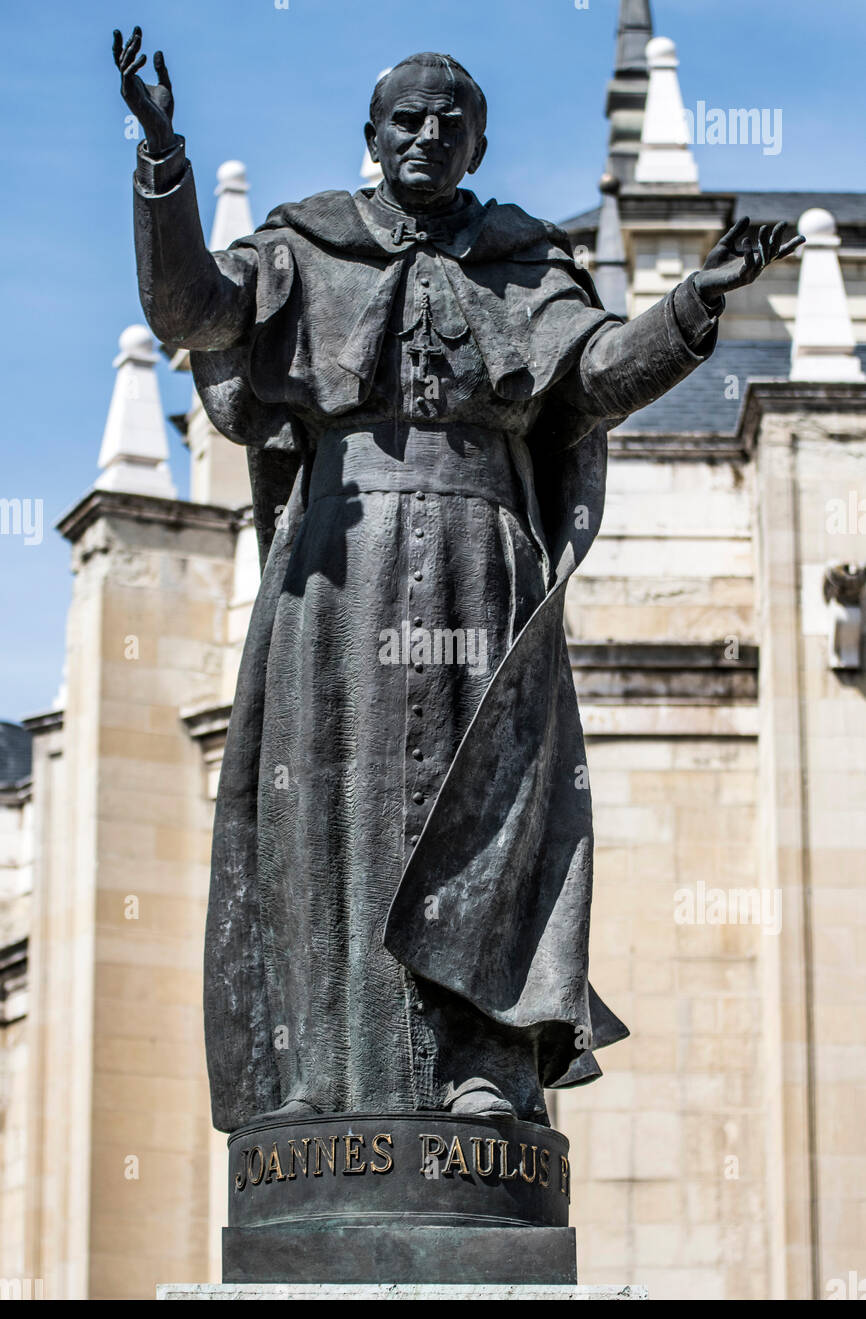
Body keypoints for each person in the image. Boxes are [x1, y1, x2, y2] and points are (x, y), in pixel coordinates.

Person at [114, 29, 803, 1132]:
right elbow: (193, 309)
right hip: (338, 565)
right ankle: (320, 1077)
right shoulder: (306, 244)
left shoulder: (525, 261)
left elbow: (591, 377)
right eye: (407, 120)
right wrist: (163, 165)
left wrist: (688, 308)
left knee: (493, 809)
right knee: (322, 814)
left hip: (485, 559)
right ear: (373, 138)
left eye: (450, 122)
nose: (427, 135)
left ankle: (484, 1062)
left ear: (478, 141)